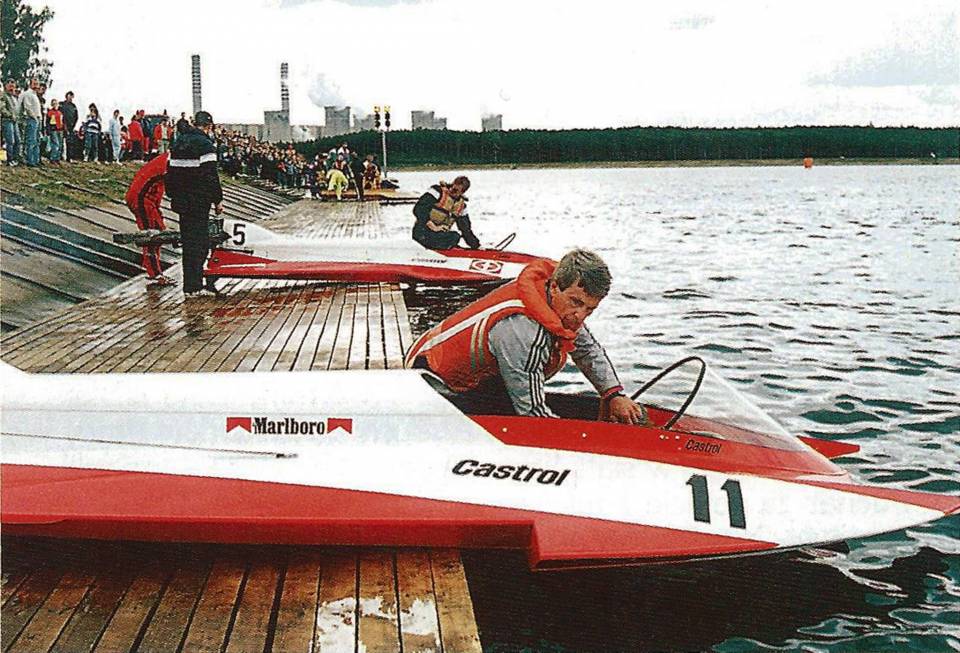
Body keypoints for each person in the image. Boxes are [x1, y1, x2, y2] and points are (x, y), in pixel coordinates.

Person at [406, 249, 648, 424]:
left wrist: (613, 394)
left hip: (467, 375)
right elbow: (532, 415)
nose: (580, 315)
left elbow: (587, 350)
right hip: (431, 383)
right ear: (555, 287)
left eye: (590, 309)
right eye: (576, 303)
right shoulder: (523, 330)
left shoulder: (557, 306)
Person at [165, 110, 224, 297]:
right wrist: (218, 199)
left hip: (182, 202)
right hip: (199, 201)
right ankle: (195, 286)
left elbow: (169, 173)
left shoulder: (178, 143)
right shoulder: (206, 145)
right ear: (208, 126)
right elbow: (210, 176)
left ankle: (190, 286)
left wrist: (173, 195)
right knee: (200, 244)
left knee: (188, 243)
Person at [125, 151, 171, 284]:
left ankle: (153, 269)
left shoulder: (165, 160)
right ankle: (154, 273)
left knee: (159, 231)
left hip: (148, 199)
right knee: (152, 235)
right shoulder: (167, 165)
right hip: (141, 199)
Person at [412, 176, 481, 250]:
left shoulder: (461, 207)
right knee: (454, 236)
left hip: (439, 235)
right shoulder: (437, 192)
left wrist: (476, 246)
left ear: (462, 192)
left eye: (455, 190)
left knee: (455, 236)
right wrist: (431, 225)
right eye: (452, 187)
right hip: (423, 231)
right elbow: (418, 209)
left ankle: (447, 249)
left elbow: (465, 229)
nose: (451, 190)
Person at [18, 79, 42, 166]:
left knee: (36, 140)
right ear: (30, 84)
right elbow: (28, 107)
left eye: (37, 84)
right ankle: (30, 160)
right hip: (31, 119)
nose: (36, 86)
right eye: (34, 84)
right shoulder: (27, 94)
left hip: (37, 119)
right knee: (31, 140)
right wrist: (34, 117)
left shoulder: (35, 95)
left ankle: (36, 160)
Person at [1, 79, 19, 165]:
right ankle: (9, 159)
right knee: (10, 141)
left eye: (13, 85)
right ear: (6, 86)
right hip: (7, 121)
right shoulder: (3, 95)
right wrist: (10, 115)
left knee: (17, 140)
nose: (12, 87)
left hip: (15, 121)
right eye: (10, 85)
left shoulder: (14, 97)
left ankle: (15, 159)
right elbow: (2, 108)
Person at [60, 91, 78, 162]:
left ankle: (69, 157)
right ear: (66, 96)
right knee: (60, 142)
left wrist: (73, 125)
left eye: (72, 96)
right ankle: (60, 156)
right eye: (69, 95)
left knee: (70, 142)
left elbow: (76, 117)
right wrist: (63, 124)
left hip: (71, 127)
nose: (70, 97)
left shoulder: (73, 106)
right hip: (61, 126)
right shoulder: (61, 104)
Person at [45, 98, 64, 164]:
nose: (55, 105)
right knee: (56, 144)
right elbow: (47, 122)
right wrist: (48, 130)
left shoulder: (60, 112)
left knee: (60, 145)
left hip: (60, 129)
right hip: (54, 130)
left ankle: (57, 158)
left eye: (56, 104)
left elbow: (62, 121)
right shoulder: (50, 112)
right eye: (53, 104)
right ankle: (53, 158)